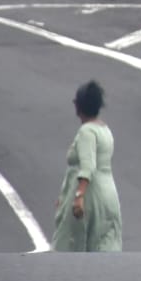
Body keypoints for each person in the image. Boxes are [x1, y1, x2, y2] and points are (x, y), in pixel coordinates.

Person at [51, 80, 122, 252]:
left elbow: (87, 166)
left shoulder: (87, 132)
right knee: (104, 247)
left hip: (91, 196)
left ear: (79, 106)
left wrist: (78, 197)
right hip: (109, 196)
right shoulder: (105, 130)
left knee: (71, 245)